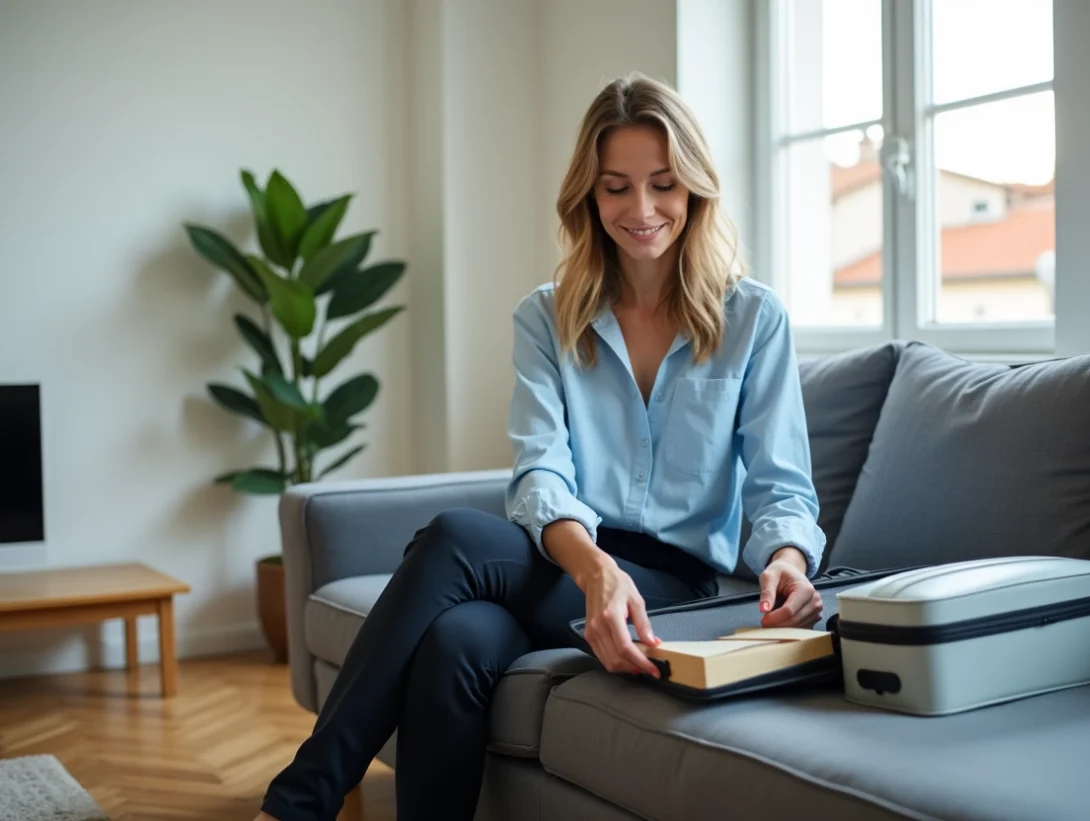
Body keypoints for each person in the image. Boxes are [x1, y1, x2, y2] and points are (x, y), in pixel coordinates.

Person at [253, 71, 826, 821]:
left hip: (677, 589)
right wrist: (594, 570)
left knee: (456, 537)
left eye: (663, 184)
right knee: (456, 640)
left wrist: (788, 560)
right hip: (569, 559)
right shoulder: (546, 318)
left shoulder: (754, 318)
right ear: (589, 195)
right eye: (617, 187)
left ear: (694, 188)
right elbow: (541, 472)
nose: (642, 209)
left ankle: (296, 805)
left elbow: (782, 485)